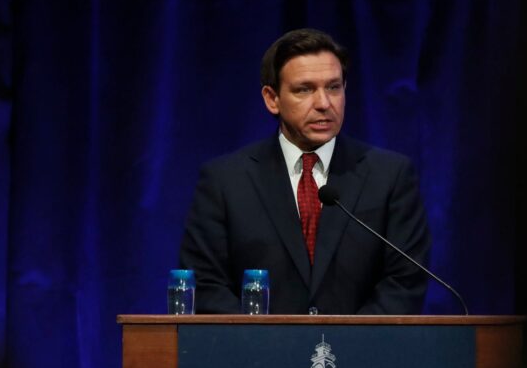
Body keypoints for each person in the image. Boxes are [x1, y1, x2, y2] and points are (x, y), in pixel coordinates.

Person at [178, 28, 431, 315]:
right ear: (272, 99)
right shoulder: (225, 181)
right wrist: (270, 347)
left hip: (361, 356)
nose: (324, 103)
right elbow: (206, 284)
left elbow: (404, 282)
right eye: (304, 89)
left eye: (334, 87)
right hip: (256, 356)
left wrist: (346, 347)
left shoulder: (391, 176)